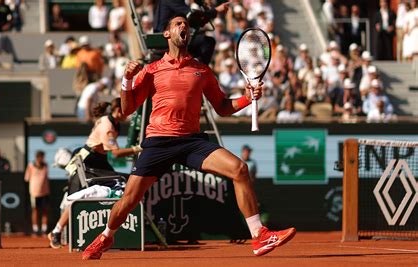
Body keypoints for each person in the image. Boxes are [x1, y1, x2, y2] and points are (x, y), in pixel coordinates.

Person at [81, 14, 296, 260]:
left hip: (192, 141)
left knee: (240, 169)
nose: (184, 26)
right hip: (159, 141)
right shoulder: (151, 70)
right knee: (129, 199)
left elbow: (223, 107)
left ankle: (259, 235)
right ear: (166, 34)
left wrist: (248, 98)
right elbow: (128, 109)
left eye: (186, 25)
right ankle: (106, 236)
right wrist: (126, 80)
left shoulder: (202, 70)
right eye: (178, 24)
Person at [48, 97, 142, 248]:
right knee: (76, 198)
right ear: (118, 110)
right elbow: (116, 153)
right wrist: (138, 148)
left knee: (123, 182)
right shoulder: (108, 126)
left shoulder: (113, 122)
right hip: (86, 161)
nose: (130, 112)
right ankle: (56, 232)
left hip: (99, 161)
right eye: (127, 108)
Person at [153, 0, 230, 64]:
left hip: (167, 36)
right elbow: (193, 17)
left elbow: (194, 20)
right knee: (208, 42)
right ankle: (199, 69)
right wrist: (216, 10)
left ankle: (193, 64)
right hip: (165, 38)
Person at [24, 150, 50, 236]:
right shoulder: (31, 166)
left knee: (45, 211)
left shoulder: (46, 166)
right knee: (35, 210)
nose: (40, 159)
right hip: (34, 193)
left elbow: (47, 177)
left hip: (45, 192)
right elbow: (26, 178)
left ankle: (44, 229)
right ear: (36, 158)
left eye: (42, 157)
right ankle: (35, 229)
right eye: (39, 157)